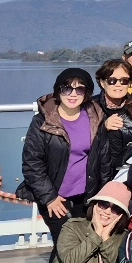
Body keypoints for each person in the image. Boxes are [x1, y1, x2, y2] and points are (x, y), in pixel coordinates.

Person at [20, 68, 107, 246]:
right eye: (67, 88)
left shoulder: (95, 118)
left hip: (86, 197)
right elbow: (32, 164)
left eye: (79, 89)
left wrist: (102, 196)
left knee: (86, 245)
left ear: (87, 93)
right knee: (65, 248)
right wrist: (49, 197)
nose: (73, 94)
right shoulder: (42, 122)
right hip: (56, 198)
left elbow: (103, 158)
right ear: (58, 90)